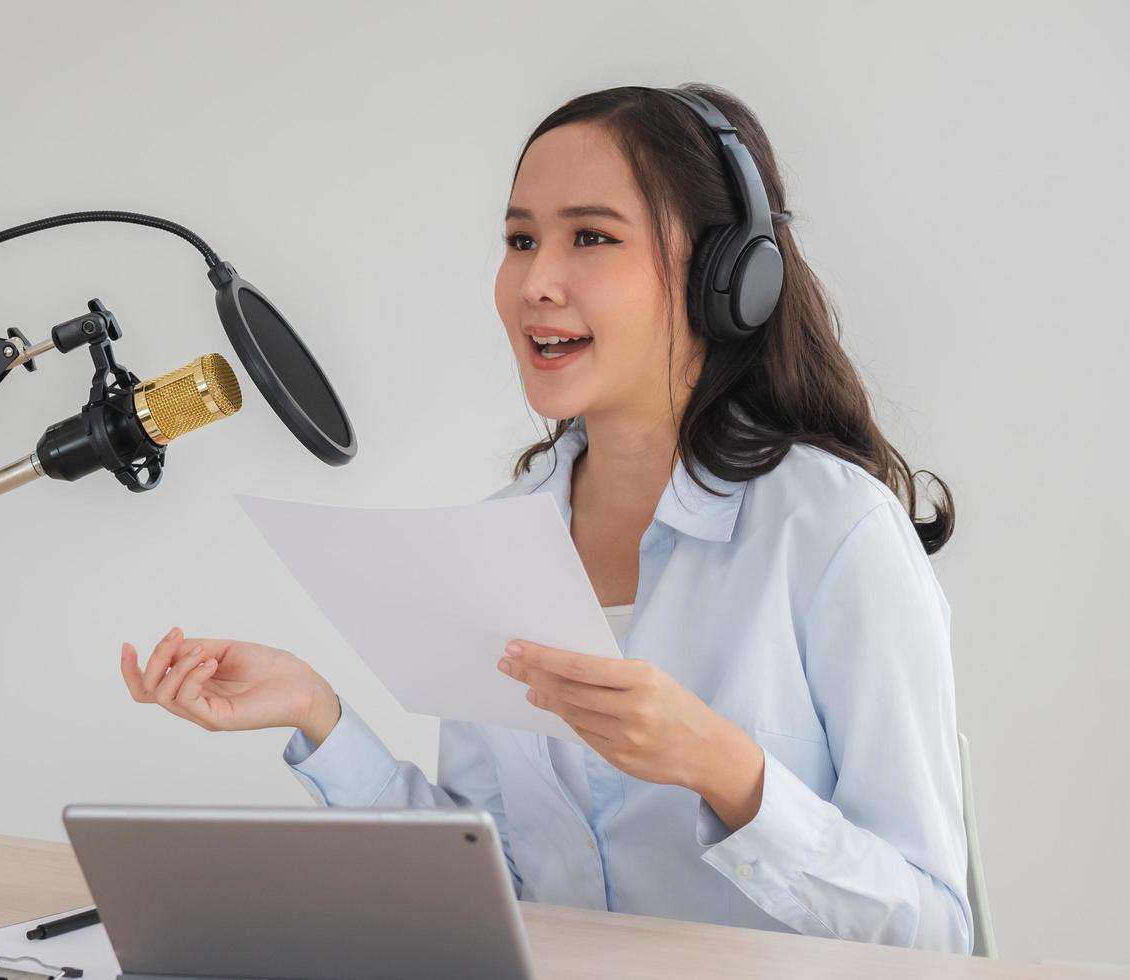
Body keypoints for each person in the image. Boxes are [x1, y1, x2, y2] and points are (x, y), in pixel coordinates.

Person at [118, 83, 971, 954]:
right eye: (520, 239)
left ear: (727, 278)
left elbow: (935, 934)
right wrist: (317, 712)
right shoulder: (503, 537)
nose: (536, 282)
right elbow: (501, 895)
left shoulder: (833, 534)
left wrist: (726, 770)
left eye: (591, 237)